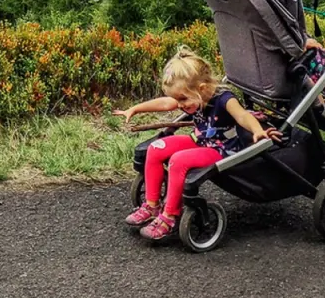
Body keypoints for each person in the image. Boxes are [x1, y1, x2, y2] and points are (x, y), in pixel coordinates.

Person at [114, 46, 281, 240]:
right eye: (178, 99)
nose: (180, 104)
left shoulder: (225, 99)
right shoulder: (193, 95)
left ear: (202, 89)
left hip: (221, 149)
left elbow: (243, 116)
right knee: (156, 148)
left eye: (183, 99)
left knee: (178, 160)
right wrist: (134, 109)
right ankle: (152, 205)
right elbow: (165, 103)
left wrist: (258, 130)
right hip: (200, 140)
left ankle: (169, 216)